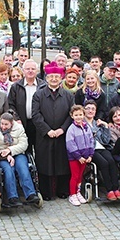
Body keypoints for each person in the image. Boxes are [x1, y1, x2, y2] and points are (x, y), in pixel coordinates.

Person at [32, 61, 74, 201]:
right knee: (45, 162)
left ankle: (63, 190)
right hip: (44, 135)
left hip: (63, 135)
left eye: (56, 76)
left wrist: (62, 129)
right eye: (51, 77)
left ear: (61, 77)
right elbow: (35, 115)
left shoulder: (68, 95)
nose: (54, 79)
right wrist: (47, 130)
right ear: (46, 78)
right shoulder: (38, 95)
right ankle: (46, 192)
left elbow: (72, 114)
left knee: (62, 162)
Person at [0, 113, 39, 207]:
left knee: (23, 168)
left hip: (17, 153)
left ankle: (31, 194)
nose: (3, 127)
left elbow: (23, 144)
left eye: (6, 124)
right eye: (2, 124)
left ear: (12, 123)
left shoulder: (19, 128)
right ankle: (12, 197)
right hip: (1, 156)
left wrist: (10, 150)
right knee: (8, 169)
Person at [84, 101, 120, 201]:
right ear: (84, 110)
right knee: (104, 163)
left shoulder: (98, 123)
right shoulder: (82, 124)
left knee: (111, 161)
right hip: (91, 150)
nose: (90, 111)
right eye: (88, 108)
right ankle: (109, 190)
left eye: (93, 109)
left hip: (102, 147)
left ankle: (116, 188)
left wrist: (105, 126)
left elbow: (106, 140)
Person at [8, 59, 46, 155]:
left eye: (33, 69)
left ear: (37, 71)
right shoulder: (16, 87)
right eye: (27, 69)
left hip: (39, 124)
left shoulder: (43, 86)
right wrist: (16, 118)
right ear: (23, 70)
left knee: (40, 150)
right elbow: (11, 105)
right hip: (22, 123)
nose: (30, 71)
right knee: (25, 150)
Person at [65, 105, 95, 206]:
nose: (78, 117)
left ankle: (78, 192)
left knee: (80, 176)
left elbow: (91, 140)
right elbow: (70, 144)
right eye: (76, 115)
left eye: (80, 115)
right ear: (72, 116)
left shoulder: (86, 127)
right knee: (75, 175)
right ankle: (72, 194)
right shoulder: (71, 129)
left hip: (85, 156)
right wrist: (78, 156)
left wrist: (90, 154)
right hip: (75, 158)